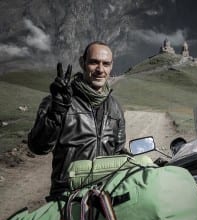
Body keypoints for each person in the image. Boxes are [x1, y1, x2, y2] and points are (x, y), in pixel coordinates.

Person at [28, 41, 126, 196]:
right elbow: (38, 147)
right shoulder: (59, 100)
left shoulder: (115, 108)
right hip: (67, 195)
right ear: (82, 62)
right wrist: (57, 110)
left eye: (106, 64)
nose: (100, 69)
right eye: (94, 62)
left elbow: (118, 151)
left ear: (111, 66)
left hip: (105, 194)